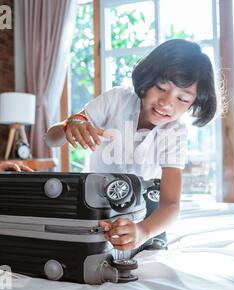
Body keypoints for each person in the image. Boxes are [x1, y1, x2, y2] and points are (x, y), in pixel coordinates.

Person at [45, 39, 217, 252]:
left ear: (193, 104)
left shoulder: (175, 132)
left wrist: (143, 231)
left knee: (150, 250)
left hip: (147, 212)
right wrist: (71, 124)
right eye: (162, 87)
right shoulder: (116, 100)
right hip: (98, 202)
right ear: (147, 78)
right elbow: (50, 139)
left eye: (182, 99)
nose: (166, 103)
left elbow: (171, 205)